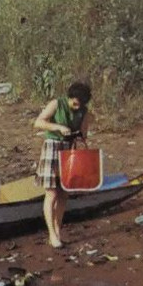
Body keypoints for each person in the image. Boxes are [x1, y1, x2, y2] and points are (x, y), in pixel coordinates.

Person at [32, 81, 92, 249]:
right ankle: (52, 234)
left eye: (79, 104)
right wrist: (58, 127)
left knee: (64, 192)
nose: (76, 106)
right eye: (74, 103)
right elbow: (38, 122)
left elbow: (83, 134)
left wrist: (81, 134)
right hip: (53, 145)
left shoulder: (83, 112)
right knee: (51, 192)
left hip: (69, 150)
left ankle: (58, 229)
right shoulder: (56, 104)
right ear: (70, 98)